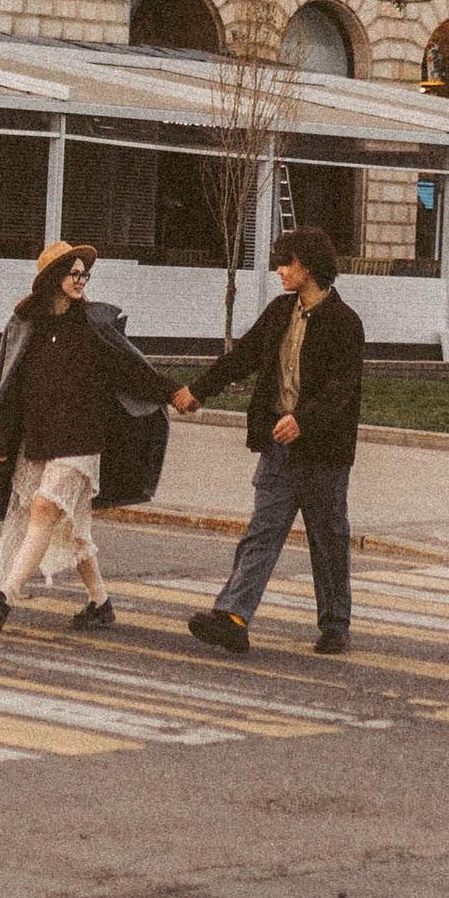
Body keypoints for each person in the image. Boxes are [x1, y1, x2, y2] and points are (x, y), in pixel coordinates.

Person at [173, 224, 365, 656]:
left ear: (309, 267)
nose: (278, 269)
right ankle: (233, 618)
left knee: (328, 536)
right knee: (262, 531)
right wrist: (198, 390)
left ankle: (335, 624)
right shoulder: (281, 311)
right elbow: (243, 356)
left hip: (322, 451)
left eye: (286, 262)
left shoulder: (344, 322)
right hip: (279, 445)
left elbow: (342, 388)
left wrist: (303, 420)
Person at [0, 243, 172, 636]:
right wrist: (3, 439)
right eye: (74, 274)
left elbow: (133, 370)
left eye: (84, 274)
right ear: (52, 280)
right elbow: (14, 389)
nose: (81, 281)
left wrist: (173, 391)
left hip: (81, 442)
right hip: (41, 441)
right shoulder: (30, 330)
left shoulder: (93, 328)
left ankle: (4, 595)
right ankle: (100, 602)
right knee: (71, 526)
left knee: (44, 511)